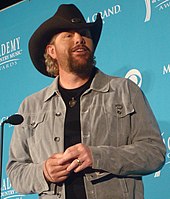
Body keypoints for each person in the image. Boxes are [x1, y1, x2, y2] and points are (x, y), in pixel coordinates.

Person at [6, 4, 166, 199]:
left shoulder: (124, 90)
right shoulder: (31, 106)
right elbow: (16, 172)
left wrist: (98, 156)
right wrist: (44, 172)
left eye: (84, 34)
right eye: (69, 35)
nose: (79, 39)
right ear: (51, 51)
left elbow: (154, 152)